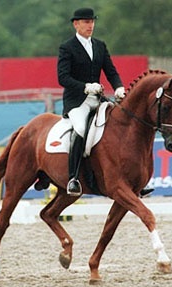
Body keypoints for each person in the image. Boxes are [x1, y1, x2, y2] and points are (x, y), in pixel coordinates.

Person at [58, 7, 153, 197]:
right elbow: (63, 78)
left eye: (92, 21)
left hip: (98, 99)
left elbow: (111, 71)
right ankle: (73, 178)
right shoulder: (67, 48)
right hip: (77, 101)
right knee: (81, 129)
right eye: (86, 22)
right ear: (76, 24)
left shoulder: (100, 45)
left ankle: (133, 180)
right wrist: (85, 86)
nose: (90, 25)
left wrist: (118, 87)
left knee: (120, 125)